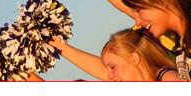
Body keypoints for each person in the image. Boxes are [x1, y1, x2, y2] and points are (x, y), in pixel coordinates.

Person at [49, 28, 180, 81]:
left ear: (134, 58)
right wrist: (53, 43)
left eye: (112, 67)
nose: (108, 76)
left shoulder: (167, 77)